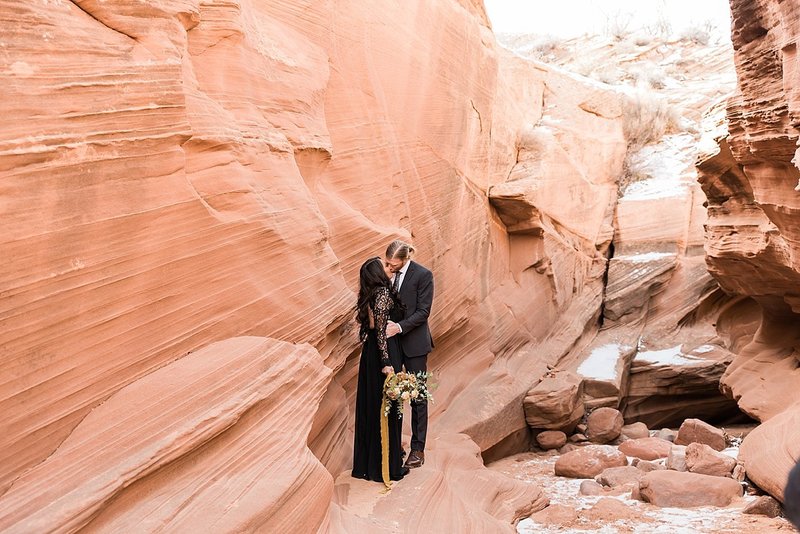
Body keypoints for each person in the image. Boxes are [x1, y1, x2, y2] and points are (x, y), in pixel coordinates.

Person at [351, 257, 409, 483]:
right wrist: (387, 362)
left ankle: (369, 466)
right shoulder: (383, 293)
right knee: (389, 407)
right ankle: (389, 467)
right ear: (377, 273)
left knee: (373, 407)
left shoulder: (370, 294)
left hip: (370, 354)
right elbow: (383, 332)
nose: (389, 268)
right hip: (383, 353)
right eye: (385, 266)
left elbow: (373, 329)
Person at [384, 240, 434, 469]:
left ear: (405, 259)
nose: (390, 268)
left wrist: (399, 327)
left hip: (414, 344)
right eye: (388, 264)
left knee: (418, 397)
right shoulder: (386, 271)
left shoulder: (423, 275)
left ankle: (417, 449)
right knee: (392, 395)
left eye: (394, 265)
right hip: (391, 345)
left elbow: (424, 311)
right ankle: (395, 446)